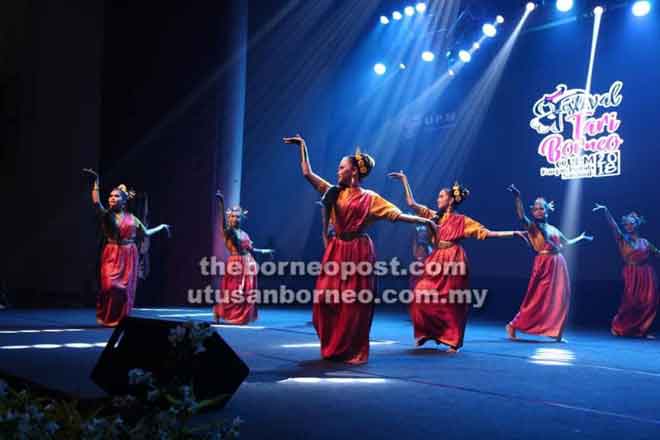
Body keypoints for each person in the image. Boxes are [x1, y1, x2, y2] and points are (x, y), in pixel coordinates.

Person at [283, 134, 436, 364]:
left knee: (354, 303)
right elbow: (307, 173)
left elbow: (396, 215)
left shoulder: (370, 198)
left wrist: (422, 221)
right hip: (336, 249)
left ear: (353, 171)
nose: (338, 171)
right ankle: (333, 343)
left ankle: (350, 349)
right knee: (325, 299)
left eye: (341, 167)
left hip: (358, 251)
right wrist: (303, 146)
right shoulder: (333, 191)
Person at [389, 171, 524, 352]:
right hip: (436, 258)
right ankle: (428, 331)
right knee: (421, 293)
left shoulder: (463, 221)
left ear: (451, 200)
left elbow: (487, 232)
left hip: (454, 259)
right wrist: (405, 181)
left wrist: (513, 233)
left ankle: (453, 340)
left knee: (452, 302)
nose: (438, 199)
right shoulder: (432, 215)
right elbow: (412, 204)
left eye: (441, 196)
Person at [83, 168, 170, 327]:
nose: (112, 198)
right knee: (109, 286)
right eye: (110, 196)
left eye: (116, 196)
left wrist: (162, 227)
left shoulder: (132, 218)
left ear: (124, 201)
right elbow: (96, 201)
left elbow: (146, 233)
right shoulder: (106, 215)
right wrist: (96, 180)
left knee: (124, 291)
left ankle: (120, 319)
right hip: (111, 253)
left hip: (129, 255)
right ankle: (106, 315)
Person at [506, 184, 593, 341]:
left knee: (560, 297)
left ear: (547, 211)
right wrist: (517, 197)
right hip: (543, 263)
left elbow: (565, 243)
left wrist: (580, 238)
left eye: (542, 208)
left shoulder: (553, 228)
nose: (539, 211)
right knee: (537, 298)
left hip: (558, 263)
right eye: (536, 209)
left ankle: (556, 332)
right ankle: (513, 325)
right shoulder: (533, 227)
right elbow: (521, 216)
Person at [593, 205, 659, 338]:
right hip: (631, 273)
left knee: (649, 302)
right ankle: (619, 327)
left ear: (637, 224)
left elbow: (657, 253)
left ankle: (641, 330)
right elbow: (613, 226)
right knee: (630, 302)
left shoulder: (645, 242)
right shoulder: (622, 239)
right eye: (626, 224)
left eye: (631, 223)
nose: (628, 226)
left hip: (647, 275)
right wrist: (606, 210)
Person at [213, 190, 273, 325]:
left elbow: (251, 249)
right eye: (233, 217)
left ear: (242, 218)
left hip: (249, 264)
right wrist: (222, 204)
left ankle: (241, 317)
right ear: (230, 218)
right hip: (236, 263)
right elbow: (223, 224)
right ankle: (218, 310)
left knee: (247, 292)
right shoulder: (229, 233)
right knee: (234, 292)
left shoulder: (245, 233)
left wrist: (265, 251)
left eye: (238, 217)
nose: (235, 219)